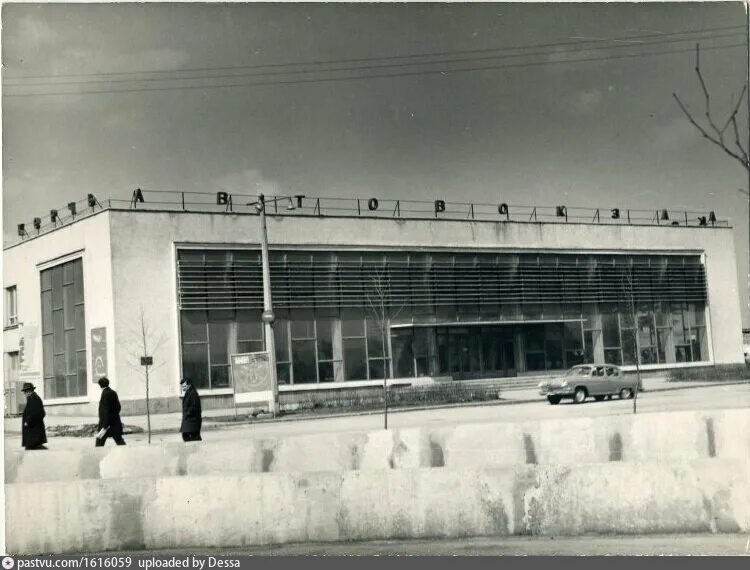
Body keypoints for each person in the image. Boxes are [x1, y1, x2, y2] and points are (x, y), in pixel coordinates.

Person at [96, 377, 125, 446]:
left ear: (100, 385)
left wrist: (105, 425)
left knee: (99, 442)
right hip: (115, 422)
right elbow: (118, 407)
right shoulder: (113, 392)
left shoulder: (105, 394)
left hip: (107, 424)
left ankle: (97, 455)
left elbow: (105, 410)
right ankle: (126, 452)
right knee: (119, 440)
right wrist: (114, 415)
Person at [21, 382, 47, 450]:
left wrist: (28, 421)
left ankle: (33, 445)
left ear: (29, 391)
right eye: (24, 391)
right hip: (34, 423)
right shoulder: (32, 397)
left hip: (33, 422)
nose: (24, 393)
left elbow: (35, 412)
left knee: (34, 434)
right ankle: (32, 445)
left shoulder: (34, 398)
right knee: (33, 435)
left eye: (25, 391)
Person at [180, 377, 202, 442]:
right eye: (182, 386)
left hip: (192, 420)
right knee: (188, 436)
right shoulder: (189, 393)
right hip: (189, 420)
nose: (182, 388)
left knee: (192, 437)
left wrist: (188, 413)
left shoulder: (193, 394)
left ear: (189, 385)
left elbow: (194, 407)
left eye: (184, 386)